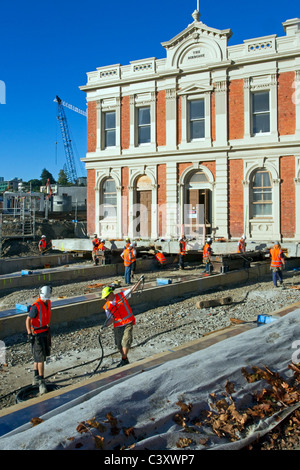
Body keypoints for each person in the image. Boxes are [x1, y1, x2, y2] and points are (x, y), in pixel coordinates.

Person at [101, 276, 144, 367]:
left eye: (106, 297)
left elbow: (132, 289)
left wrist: (139, 281)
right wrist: (105, 326)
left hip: (128, 322)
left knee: (126, 341)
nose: (105, 299)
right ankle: (125, 359)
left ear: (111, 294)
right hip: (118, 325)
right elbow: (110, 319)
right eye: (105, 298)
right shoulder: (107, 306)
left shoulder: (121, 296)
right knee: (118, 345)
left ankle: (123, 359)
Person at [25, 285, 52, 395]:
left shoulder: (47, 303)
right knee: (40, 358)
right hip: (37, 334)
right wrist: (29, 333)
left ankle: (36, 377)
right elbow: (27, 320)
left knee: (38, 356)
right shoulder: (36, 306)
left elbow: (46, 316)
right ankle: (41, 380)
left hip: (44, 331)